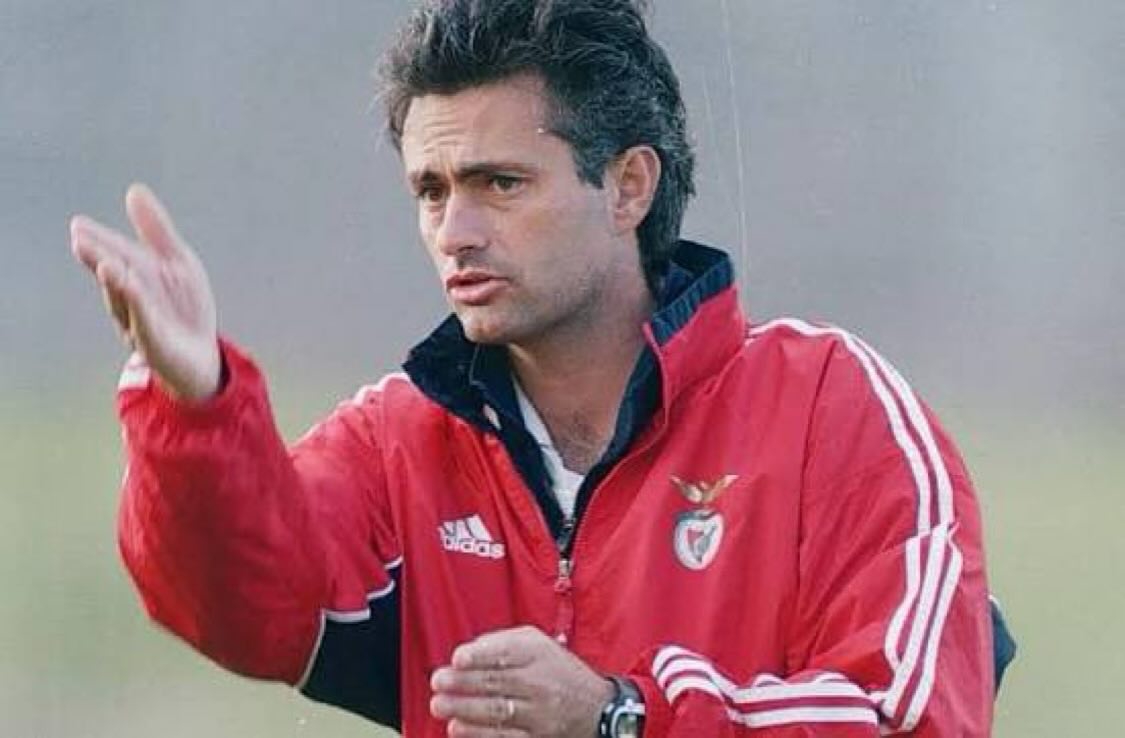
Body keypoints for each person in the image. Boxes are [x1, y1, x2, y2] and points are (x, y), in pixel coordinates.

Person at [69, 1, 1010, 736]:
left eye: (500, 183)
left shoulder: (829, 406)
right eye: (430, 190)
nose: (455, 230)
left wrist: (619, 716)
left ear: (628, 187)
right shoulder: (399, 439)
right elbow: (247, 612)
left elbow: (913, 718)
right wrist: (194, 406)